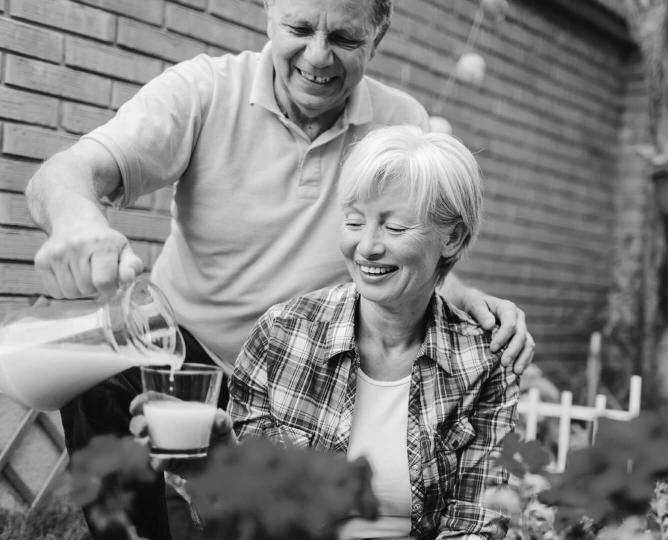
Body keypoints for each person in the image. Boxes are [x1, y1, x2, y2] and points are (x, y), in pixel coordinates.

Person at [24, 0, 533, 538]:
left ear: (377, 38)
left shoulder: (401, 121)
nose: (318, 56)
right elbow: (68, 174)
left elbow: (411, 235)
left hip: (305, 383)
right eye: (298, 28)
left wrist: (457, 290)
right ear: (268, 16)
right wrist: (78, 223)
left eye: (344, 38)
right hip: (186, 356)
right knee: (100, 368)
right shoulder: (205, 90)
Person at [225, 125, 519, 538]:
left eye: (394, 228)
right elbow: (239, 516)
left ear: (452, 238)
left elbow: (476, 524)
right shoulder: (283, 336)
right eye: (354, 222)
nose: (366, 247)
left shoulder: (483, 364)